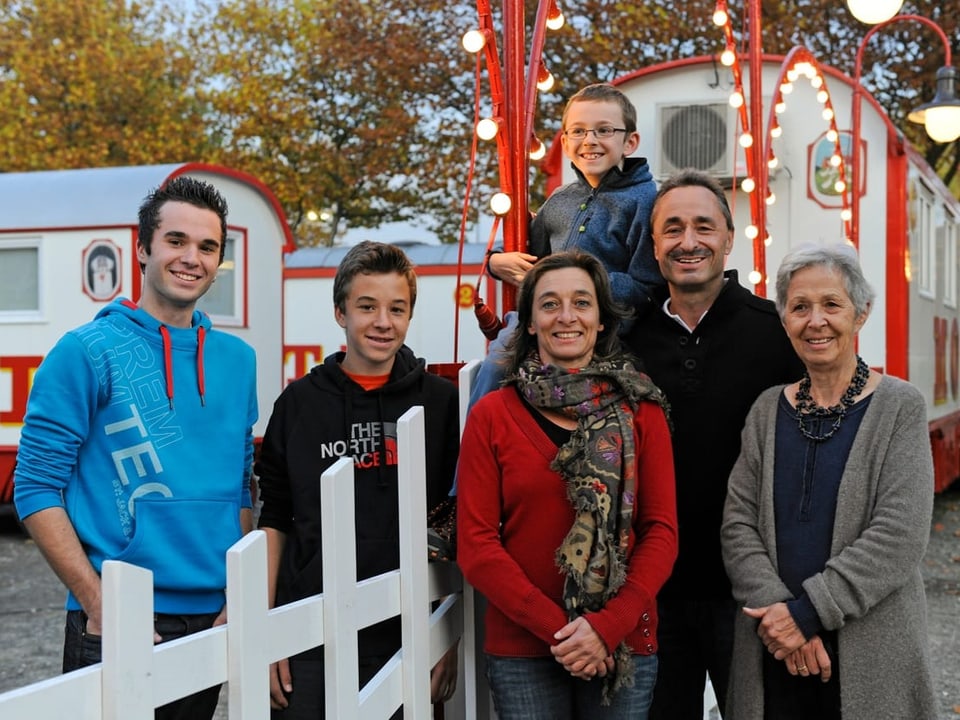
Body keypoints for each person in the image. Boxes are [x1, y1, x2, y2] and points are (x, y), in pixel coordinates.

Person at [13, 176, 257, 719]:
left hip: (214, 619)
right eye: (176, 241)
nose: (191, 258)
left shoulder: (239, 361)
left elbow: (240, 484)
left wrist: (236, 593)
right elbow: (33, 487)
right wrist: (98, 601)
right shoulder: (84, 351)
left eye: (207, 247)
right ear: (143, 247)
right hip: (118, 620)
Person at [457, 251, 678, 720]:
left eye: (582, 302)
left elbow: (661, 531)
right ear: (531, 322)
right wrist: (564, 630)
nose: (566, 316)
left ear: (601, 321)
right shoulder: (493, 416)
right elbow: (476, 543)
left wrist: (606, 628)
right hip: (523, 649)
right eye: (550, 304)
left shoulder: (642, 411)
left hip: (623, 643)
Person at [721, 243, 938, 719]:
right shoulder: (765, 411)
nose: (815, 320)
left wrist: (806, 615)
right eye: (799, 307)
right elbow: (737, 526)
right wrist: (780, 615)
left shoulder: (900, 407)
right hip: (772, 646)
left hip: (870, 649)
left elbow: (899, 535)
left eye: (831, 305)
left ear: (861, 313)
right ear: (785, 321)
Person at [623, 168, 803, 719]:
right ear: (654, 246)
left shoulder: (777, 336)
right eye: (671, 229)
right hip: (653, 590)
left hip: (752, 592)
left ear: (729, 238)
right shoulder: (625, 343)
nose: (688, 241)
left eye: (704, 226)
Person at [256, 241, 460, 718]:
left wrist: (447, 632)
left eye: (397, 308)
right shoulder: (298, 404)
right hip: (309, 627)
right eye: (367, 307)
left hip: (410, 626)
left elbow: (458, 519)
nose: (382, 322)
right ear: (339, 312)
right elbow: (275, 519)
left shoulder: (442, 403)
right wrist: (266, 631)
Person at [469, 82, 663, 407]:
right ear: (565, 140)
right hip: (545, 321)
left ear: (630, 142)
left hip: (605, 329)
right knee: (496, 364)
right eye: (578, 131)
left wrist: (583, 287)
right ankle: (474, 451)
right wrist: (495, 262)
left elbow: (647, 285)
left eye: (604, 130)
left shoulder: (644, 201)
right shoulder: (560, 200)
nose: (590, 140)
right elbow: (533, 255)